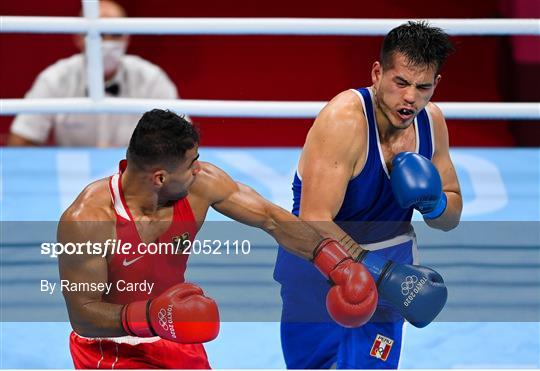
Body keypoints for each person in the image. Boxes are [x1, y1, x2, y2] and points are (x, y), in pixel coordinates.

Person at [57, 109, 379, 369]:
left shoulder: (201, 185)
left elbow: (271, 219)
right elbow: (83, 315)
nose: (199, 170)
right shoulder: (89, 220)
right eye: (191, 164)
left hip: (176, 334)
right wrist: (154, 316)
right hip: (111, 349)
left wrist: (336, 262)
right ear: (160, 177)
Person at [274, 21, 463, 369]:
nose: (410, 98)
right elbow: (314, 219)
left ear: (436, 85)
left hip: (388, 267)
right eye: (401, 82)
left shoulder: (431, 121)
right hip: (320, 265)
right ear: (378, 73)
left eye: (423, 87)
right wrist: (382, 272)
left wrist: (435, 204)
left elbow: (451, 215)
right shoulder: (344, 121)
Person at [8, 0, 177, 147]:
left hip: (137, 177)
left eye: (116, 34)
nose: (108, 43)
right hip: (73, 175)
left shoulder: (152, 78)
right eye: (99, 35)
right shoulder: (55, 78)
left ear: (128, 37)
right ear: (78, 38)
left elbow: (180, 141)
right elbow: (20, 141)